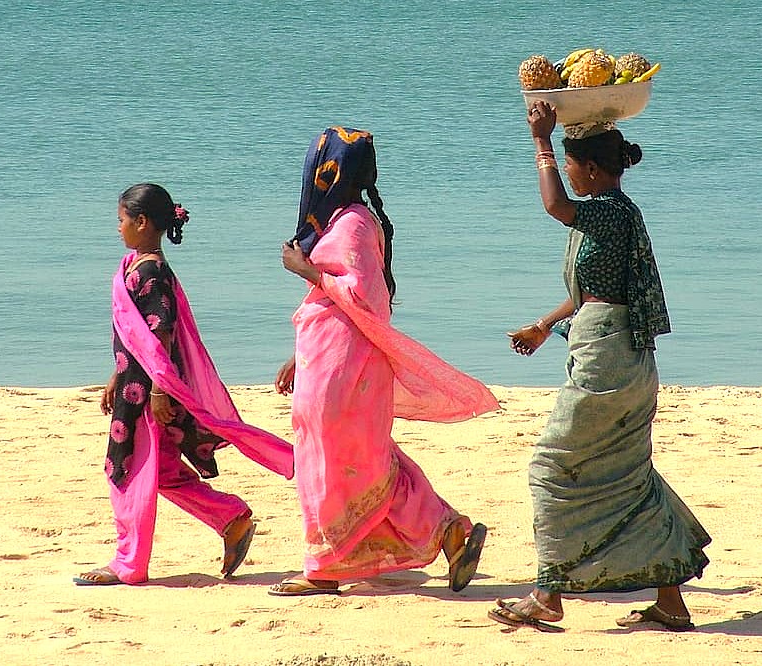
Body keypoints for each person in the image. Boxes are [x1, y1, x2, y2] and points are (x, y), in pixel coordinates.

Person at [488, 104, 711, 632]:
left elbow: (555, 207)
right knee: (628, 477)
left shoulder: (608, 209)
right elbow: (595, 292)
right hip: (622, 358)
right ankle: (670, 601)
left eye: (568, 163)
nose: (565, 171)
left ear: (589, 168)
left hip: (607, 367)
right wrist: (545, 325)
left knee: (552, 468)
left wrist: (540, 140)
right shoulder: (617, 213)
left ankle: (546, 595)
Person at [270, 126, 498, 596]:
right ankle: (449, 532)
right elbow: (334, 298)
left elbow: (364, 297)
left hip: (346, 364)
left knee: (342, 456)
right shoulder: (342, 220)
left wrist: (305, 268)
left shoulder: (352, 223)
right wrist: (298, 354)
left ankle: (326, 569)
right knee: (356, 454)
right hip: (328, 355)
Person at [74, 183, 294, 586]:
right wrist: (116, 376)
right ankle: (231, 520)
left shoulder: (152, 272)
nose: (117, 228)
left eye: (121, 220)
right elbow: (133, 335)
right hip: (133, 385)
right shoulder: (132, 267)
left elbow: (162, 332)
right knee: (162, 472)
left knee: (126, 471)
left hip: (147, 395)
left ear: (142, 222)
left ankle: (128, 563)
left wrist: (159, 391)